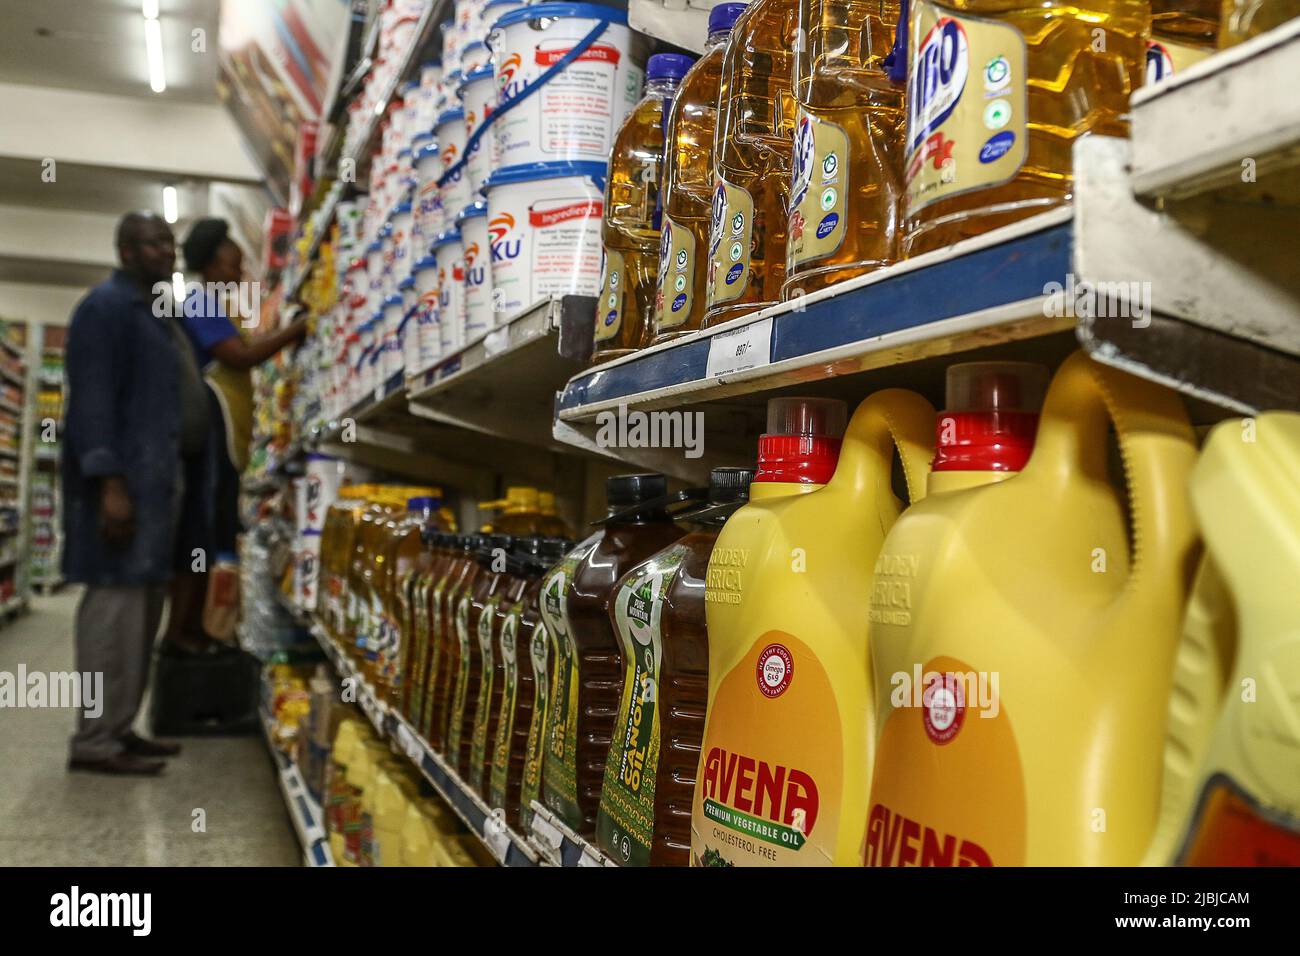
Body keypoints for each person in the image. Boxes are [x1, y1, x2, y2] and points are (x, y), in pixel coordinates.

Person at [63, 211, 207, 775]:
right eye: (154, 244)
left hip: (156, 489)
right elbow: (92, 403)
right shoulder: (105, 309)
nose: (167, 252)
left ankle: (121, 727)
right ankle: (94, 740)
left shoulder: (155, 313)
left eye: (170, 243)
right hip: (122, 493)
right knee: (111, 617)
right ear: (125, 251)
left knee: (142, 615)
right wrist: (110, 485)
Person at [162, 218, 306, 654]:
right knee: (203, 532)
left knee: (213, 531)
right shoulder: (201, 302)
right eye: (233, 264)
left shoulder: (216, 305)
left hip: (225, 434)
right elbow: (239, 358)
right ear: (210, 263)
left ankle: (200, 628)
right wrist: (296, 330)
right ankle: (187, 631)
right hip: (213, 429)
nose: (240, 273)